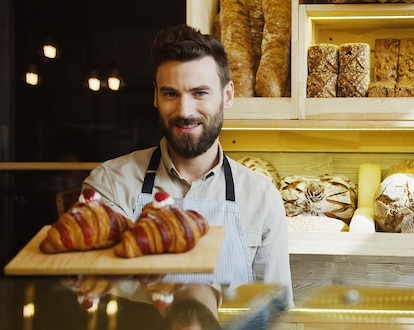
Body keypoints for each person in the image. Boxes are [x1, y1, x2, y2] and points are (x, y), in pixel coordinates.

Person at [81, 24, 293, 308]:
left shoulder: (261, 197)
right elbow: (91, 293)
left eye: (200, 93)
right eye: (171, 94)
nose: (184, 111)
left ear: (227, 96)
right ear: (155, 96)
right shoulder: (110, 185)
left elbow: (273, 313)